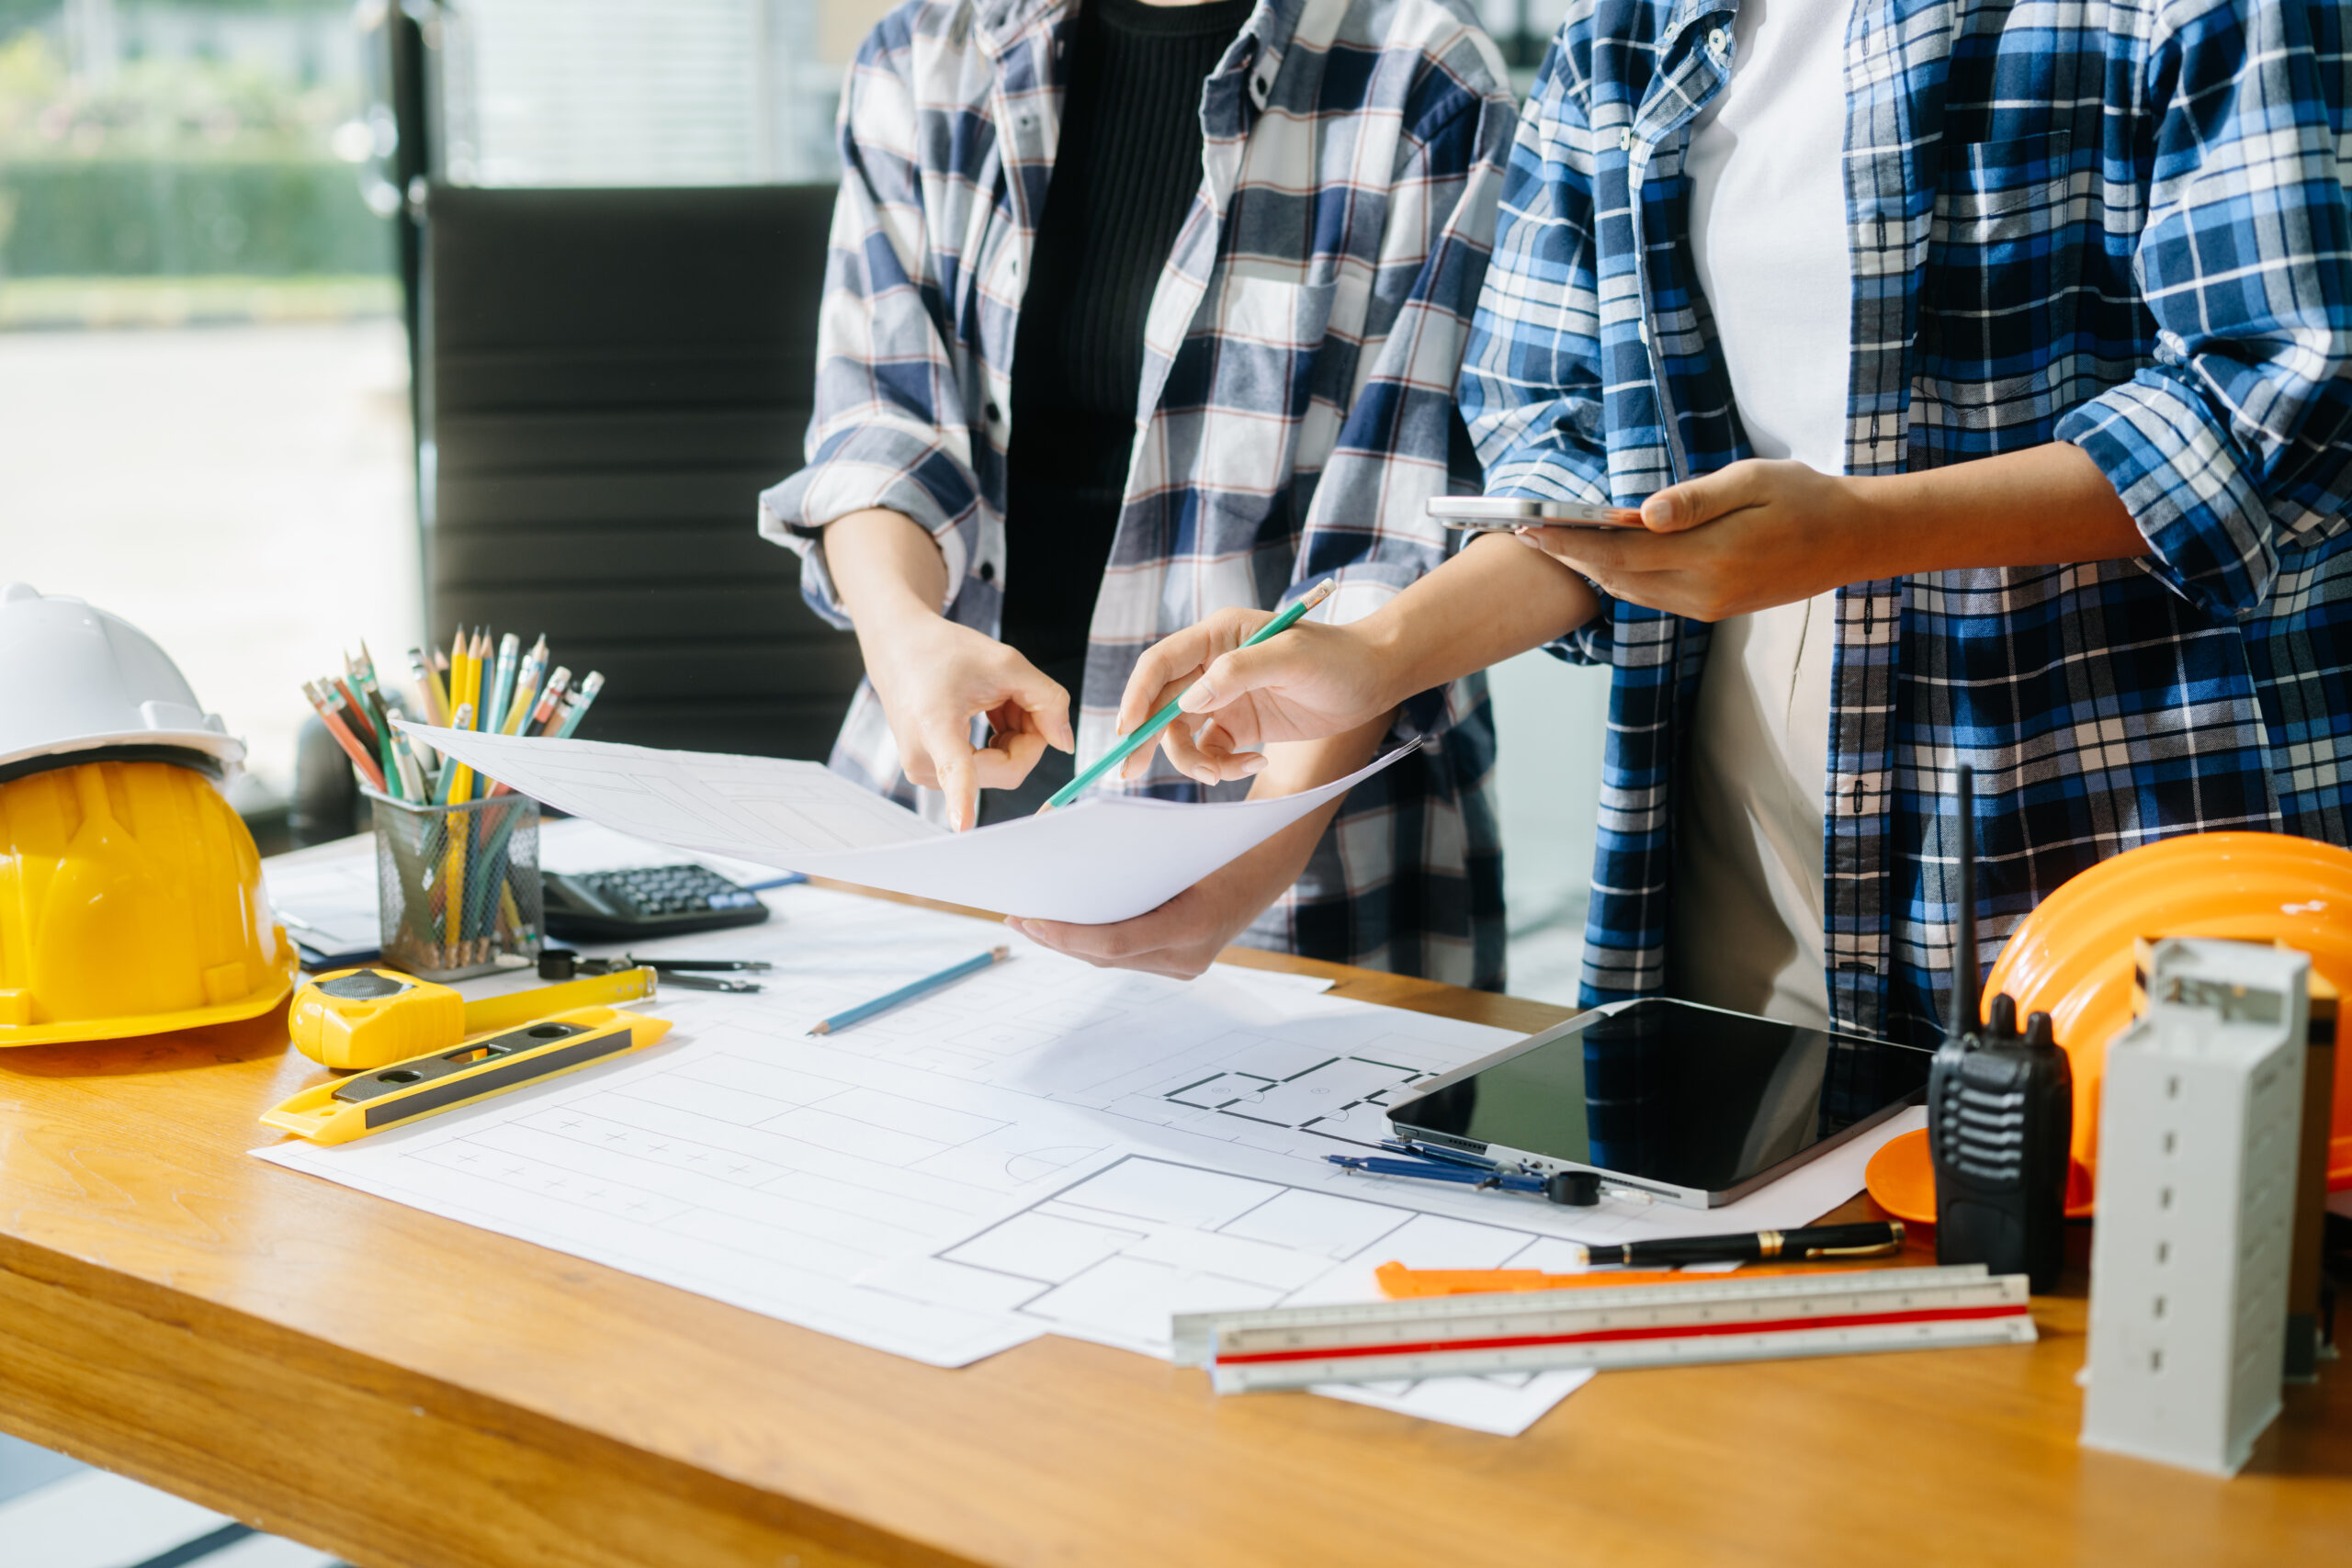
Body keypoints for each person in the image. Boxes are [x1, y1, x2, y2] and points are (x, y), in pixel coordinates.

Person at [1015, 0, 2352, 1045]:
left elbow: (2285, 402)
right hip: (1733, 770)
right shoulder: (1625, 35)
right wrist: (1375, 654)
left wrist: (1858, 536)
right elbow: (1575, 468)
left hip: (2101, 777)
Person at [760, 0, 1520, 987]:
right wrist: (903, 638)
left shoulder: (1424, 76)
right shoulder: (923, 55)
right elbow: (879, 422)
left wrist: (1244, 867)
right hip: (941, 829)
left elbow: (1388, 544)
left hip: (1288, 846)